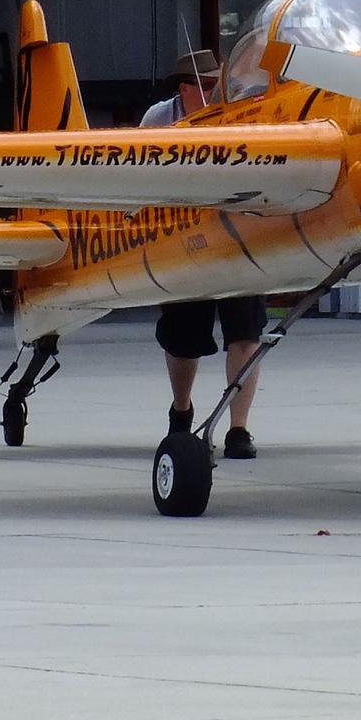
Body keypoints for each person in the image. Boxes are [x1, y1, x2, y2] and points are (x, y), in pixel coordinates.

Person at [144, 49, 266, 459]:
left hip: (235, 235)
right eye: (208, 85)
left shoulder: (239, 111)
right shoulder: (158, 119)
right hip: (182, 239)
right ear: (185, 88)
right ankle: (182, 410)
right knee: (183, 338)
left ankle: (238, 429)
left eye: (220, 84)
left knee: (246, 334)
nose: (217, 92)